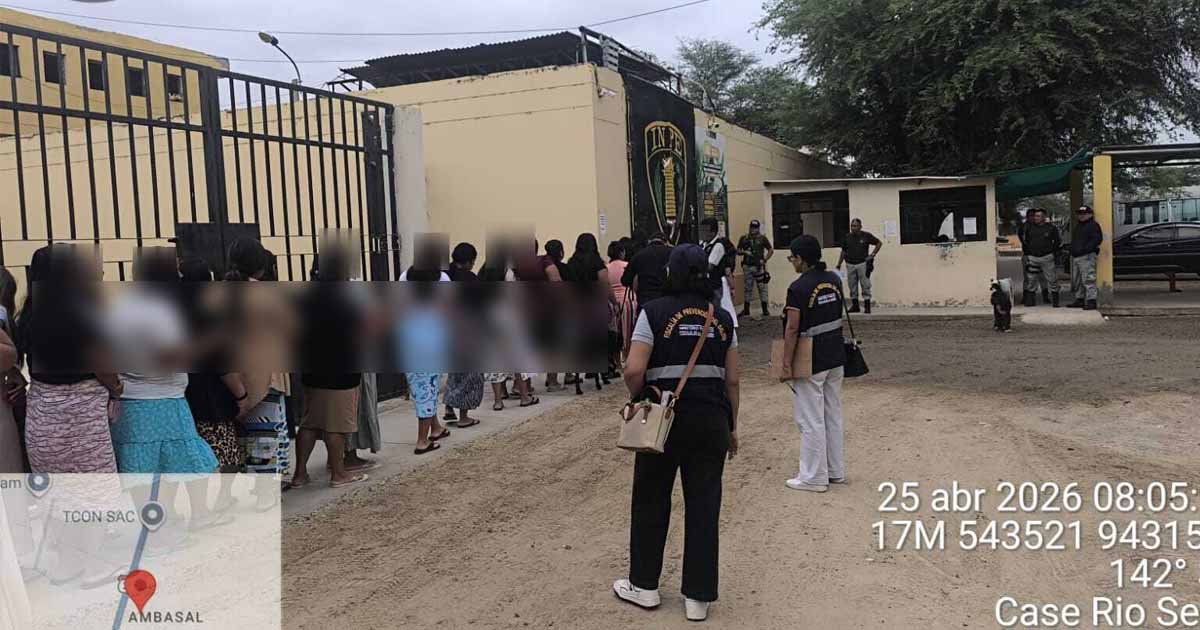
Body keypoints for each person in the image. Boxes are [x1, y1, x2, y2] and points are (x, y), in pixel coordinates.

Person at [613, 243, 739, 623]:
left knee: (651, 499)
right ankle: (698, 598)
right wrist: (732, 427)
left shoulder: (653, 312)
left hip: (662, 421)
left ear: (671, 272)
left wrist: (639, 395)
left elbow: (634, 369)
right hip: (711, 420)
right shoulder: (721, 319)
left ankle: (645, 586)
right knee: (704, 505)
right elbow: (732, 380)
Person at [107, 248, 219, 476]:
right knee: (190, 470)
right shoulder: (163, 311)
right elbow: (170, 358)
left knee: (139, 474)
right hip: (165, 403)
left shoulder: (119, 306)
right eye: (176, 270)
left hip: (129, 405)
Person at [292, 247, 369, 488]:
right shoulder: (347, 299)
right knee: (336, 426)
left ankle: (299, 474)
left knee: (309, 423)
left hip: (312, 370)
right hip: (341, 371)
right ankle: (339, 473)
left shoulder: (304, 296)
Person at [778, 235, 847, 493]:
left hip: (811, 358)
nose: (792, 263)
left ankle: (814, 477)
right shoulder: (834, 280)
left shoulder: (798, 288)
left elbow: (792, 328)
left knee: (810, 418)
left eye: (792, 258)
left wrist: (786, 363)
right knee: (832, 414)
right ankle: (835, 470)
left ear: (801, 259)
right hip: (836, 353)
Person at [443, 242, 484, 428]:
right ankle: (464, 417)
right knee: (470, 375)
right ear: (468, 261)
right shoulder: (470, 279)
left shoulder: (446, 275)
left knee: (454, 372)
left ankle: (449, 407)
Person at [835, 218, 883, 314]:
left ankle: (867, 307)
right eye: (852, 226)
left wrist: (872, 255)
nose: (853, 228)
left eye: (855, 226)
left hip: (862, 264)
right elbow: (843, 251)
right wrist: (839, 264)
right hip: (850, 264)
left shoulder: (866, 236)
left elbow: (879, 243)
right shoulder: (847, 237)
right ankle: (855, 306)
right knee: (852, 286)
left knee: (865, 285)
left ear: (860, 226)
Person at [700, 218, 739, 327]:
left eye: (705, 231)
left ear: (713, 232)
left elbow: (709, 266)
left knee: (715, 310)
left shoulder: (718, 246)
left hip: (715, 285)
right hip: (707, 285)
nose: (702, 234)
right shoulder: (704, 244)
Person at [1020, 209, 1062, 307]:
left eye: (1038, 216)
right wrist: (1029, 253)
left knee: (1052, 279)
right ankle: (1030, 301)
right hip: (1033, 258)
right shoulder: (1029, 228)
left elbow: (1057, 241)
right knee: (1031, 279)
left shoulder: (1051, 228)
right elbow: (1026, 241)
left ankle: (1055, 301)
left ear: (1044, 217)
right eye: (1035, 216)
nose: (1036, 218)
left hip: (1047, 257)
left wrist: (1051, 251)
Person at [621, 232, 672, 309]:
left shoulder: (638, 255)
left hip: (645, 301)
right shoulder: (672, 253)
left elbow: (625, 280)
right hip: (666, 300)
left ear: (649, 241)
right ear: (666, 242)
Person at [736, 219, 774, 317]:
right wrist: (744, 252)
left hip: (759, 267)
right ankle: (746, 310)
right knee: (748, 288)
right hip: (747, 266)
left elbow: (770, 249)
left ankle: (765, 310)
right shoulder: (744, 238)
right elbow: (738, 251)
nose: (753, 229)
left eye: (755, 228)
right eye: (752, 227)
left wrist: (765, 259)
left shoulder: (762, 238)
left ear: (758, 228)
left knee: (762, 288)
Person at [1068, 205, 1103, 310]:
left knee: (1088, 279)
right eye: (1080, 214)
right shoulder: (1079, 226)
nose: (1081, 216)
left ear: (1090, 214)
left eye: (1084, 214)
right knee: (1077, 280)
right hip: (1076, 256)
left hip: (1087, 256)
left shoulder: (1093, 225)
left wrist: (1085, 249)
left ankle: (1091, 301)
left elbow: (1097, 240)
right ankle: (1079, 299)